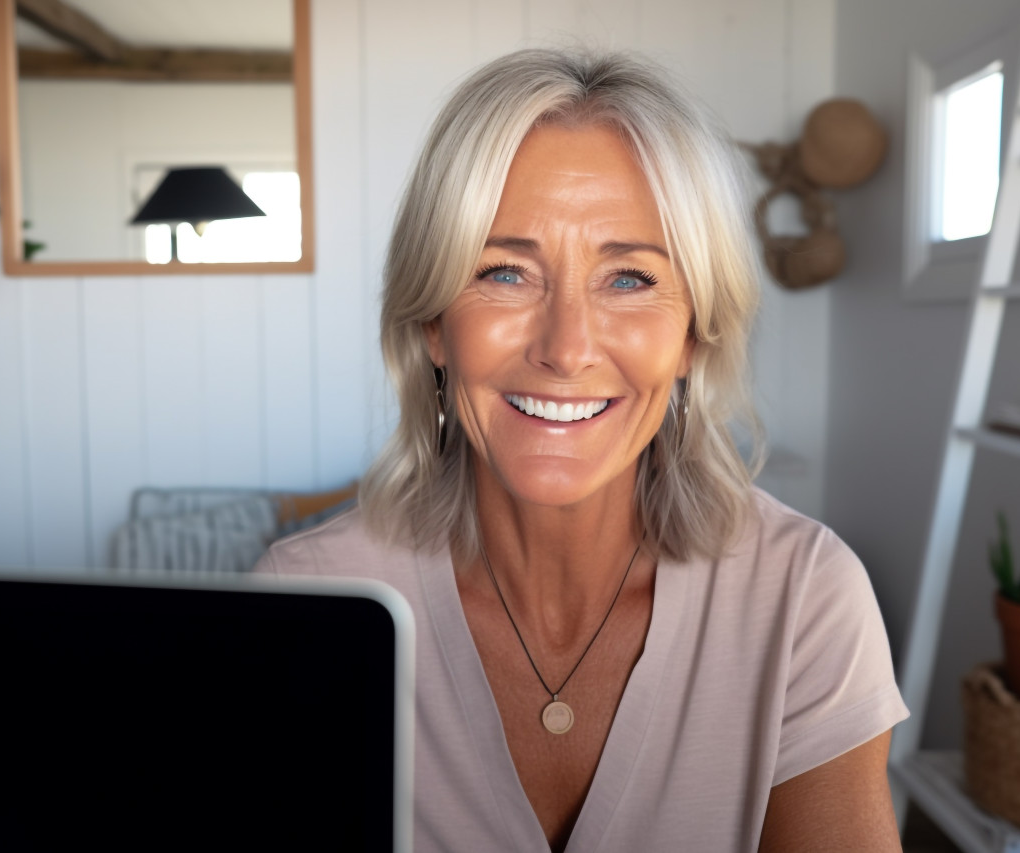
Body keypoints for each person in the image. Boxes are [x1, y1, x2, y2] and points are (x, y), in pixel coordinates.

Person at [255, 48, 908, 852]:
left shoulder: (804, 596)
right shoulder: (308, 602)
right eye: (503, 271)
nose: (566, 349)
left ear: (694, 338)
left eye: (629, 279)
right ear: (432, 324)